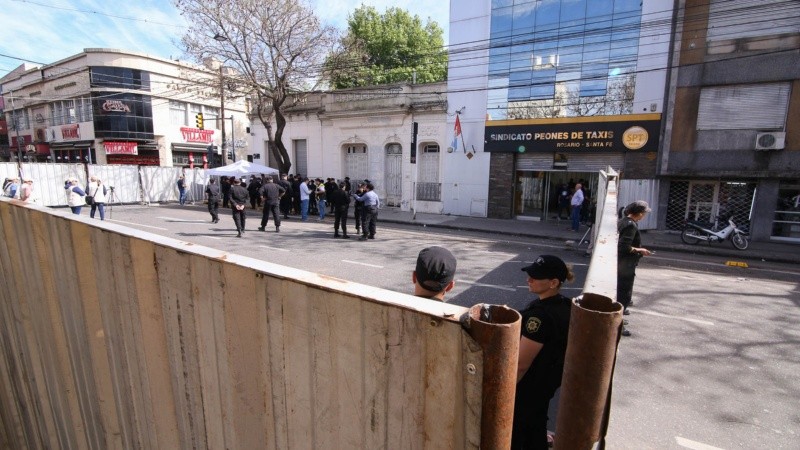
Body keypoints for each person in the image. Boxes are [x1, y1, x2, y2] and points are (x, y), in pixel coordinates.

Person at [512, 255, 575, 450]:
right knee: (536, 421)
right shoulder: (566, 305)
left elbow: (521, 365)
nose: (528, 280)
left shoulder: (539, 318)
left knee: (520, 430)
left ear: (553, 283)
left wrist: (503, 388)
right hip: (548, 380)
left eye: (535, 277)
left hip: (530, 384)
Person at [617, 200, 653, 337]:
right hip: (625, 265)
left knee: (622, 294)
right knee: (623, 296)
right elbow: (624, 247)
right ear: (639, 213)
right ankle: (618, 325)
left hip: (622, 264)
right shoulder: (630, 225)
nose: (644, 216)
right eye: (644, 213)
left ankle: (619, 321)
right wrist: (640, 250)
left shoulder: (623, 221)